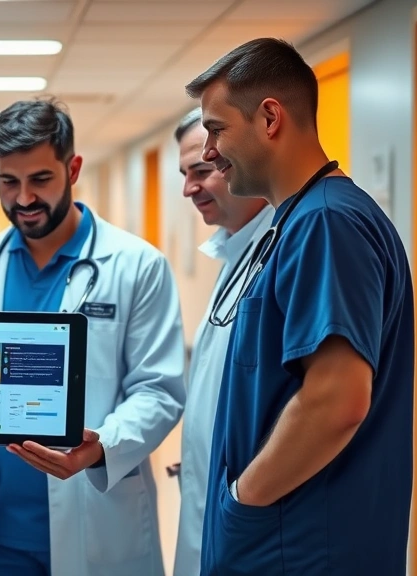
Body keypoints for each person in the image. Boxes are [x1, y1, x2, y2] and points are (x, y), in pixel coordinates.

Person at [184, 38, 414, 575]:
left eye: (216, 130)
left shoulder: (327, 223)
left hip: (302, 543)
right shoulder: (299, 220)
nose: (209, 152)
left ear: (269, 118)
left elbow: (337, 399)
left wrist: (244, 497)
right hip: (287, 536)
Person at [0, 99, 187, 576]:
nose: (24, 198)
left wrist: (102, 445)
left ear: (73, 168)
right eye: (9, 182)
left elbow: (159, 389)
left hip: (95, 516)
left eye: (40, 180)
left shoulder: (136, 265)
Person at [170, 107, 274, 576]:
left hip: (252, 517)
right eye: (185, 174)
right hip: (220, 504)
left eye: (203, 170)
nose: (189, 188)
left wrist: (240, 496)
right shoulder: (236, 249)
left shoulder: (287, 244)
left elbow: (330, 403)